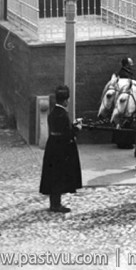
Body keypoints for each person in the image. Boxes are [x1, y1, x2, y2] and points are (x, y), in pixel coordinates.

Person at [39, 85, 82, 213]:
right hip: (61, 150)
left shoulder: (53, 113)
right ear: (65, 100)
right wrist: (77, 128)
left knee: (53, 176)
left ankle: (54, 203)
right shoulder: (63, 114)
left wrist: (71, 126)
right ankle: (56, 205)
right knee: (59, 176)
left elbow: (60, 129)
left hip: (53, 146)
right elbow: (68, 134)